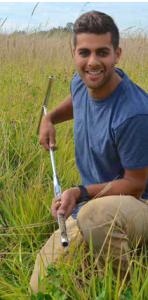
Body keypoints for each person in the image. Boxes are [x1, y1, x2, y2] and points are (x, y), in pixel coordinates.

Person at [30, 10, 148, 293]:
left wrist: (78, 192)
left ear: (117, 54)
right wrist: (49, 119)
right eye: (84, 52)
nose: (93, 62)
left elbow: (134, 185)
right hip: (91, 206)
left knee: (96, 217)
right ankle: (97, 252)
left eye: (102, 52)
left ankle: (125, 288)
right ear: (74, 53)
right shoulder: (81, 82)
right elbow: (75, 100)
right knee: (40, 287)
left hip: (139, 203)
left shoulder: (134, 114)